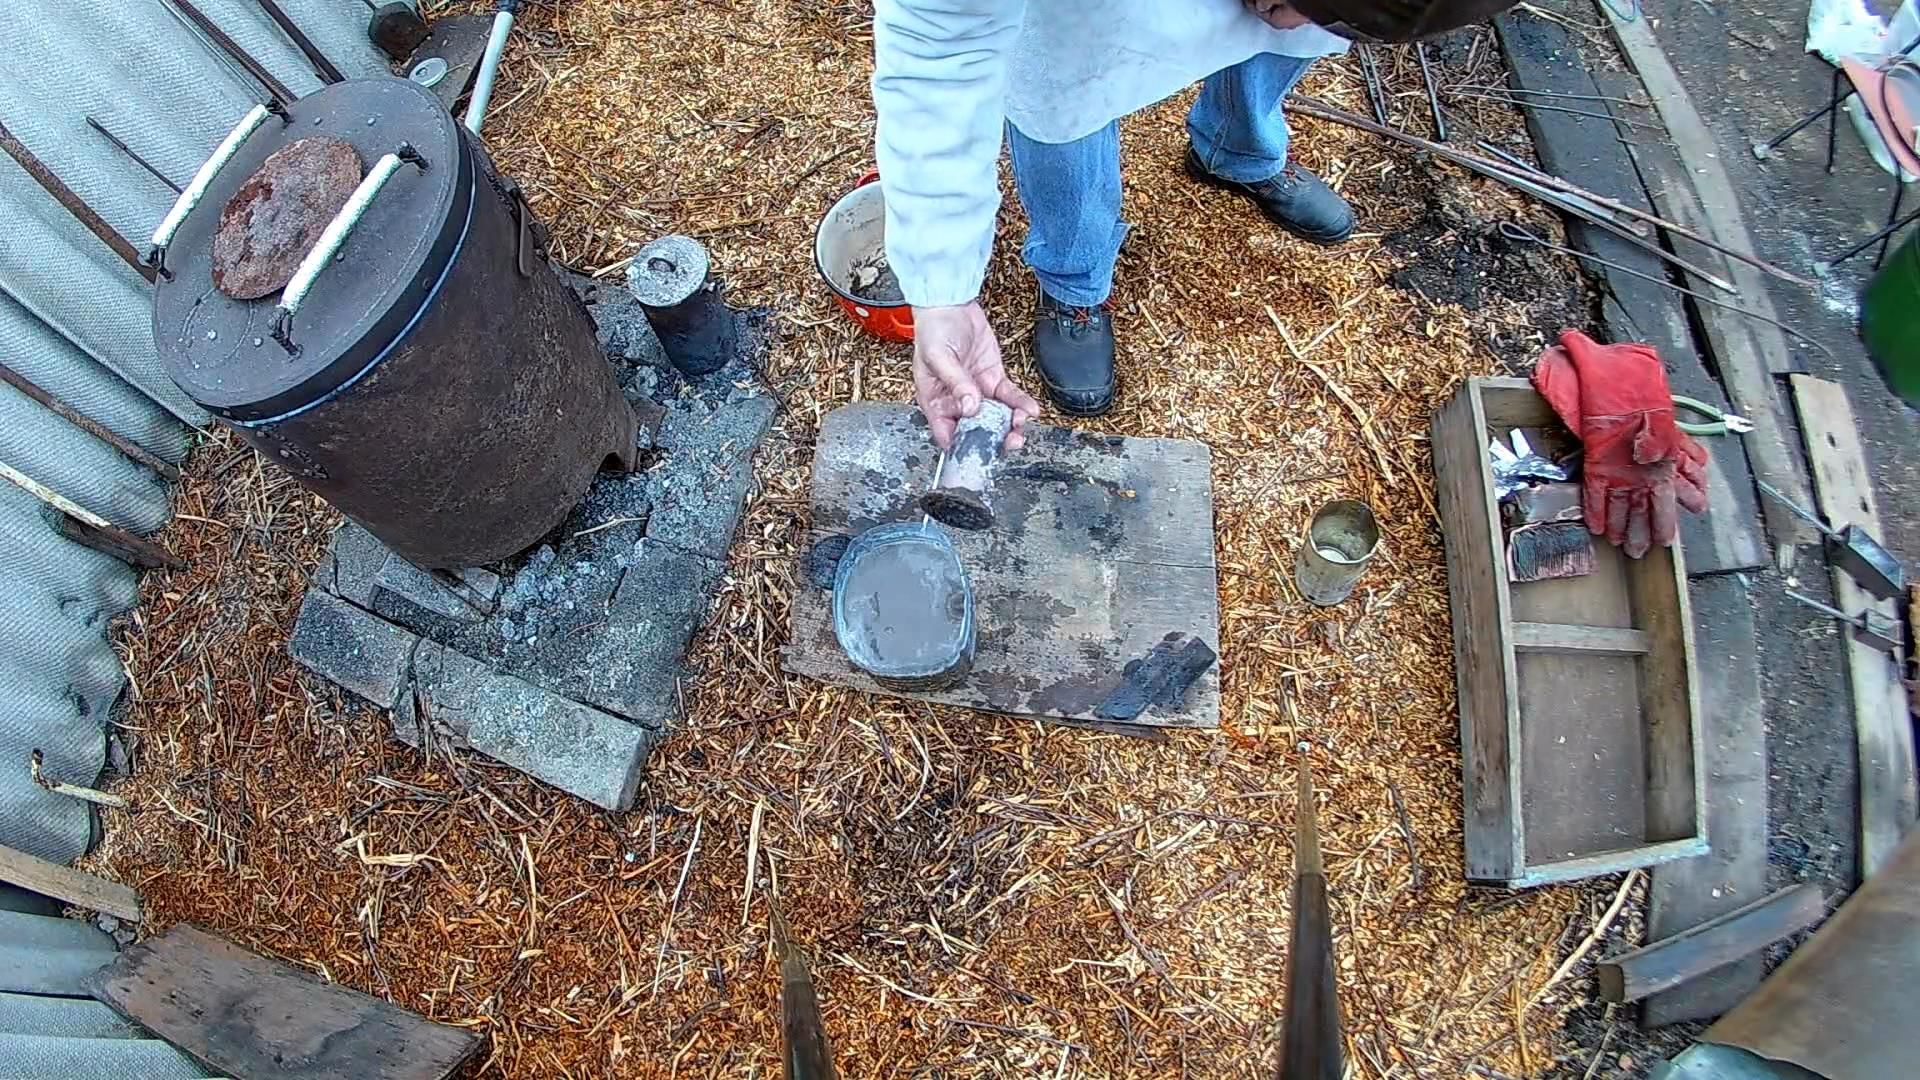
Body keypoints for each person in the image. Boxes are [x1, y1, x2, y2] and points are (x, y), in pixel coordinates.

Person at [872, 0, 1516, 449]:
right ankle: (1075, 276)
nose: (1274, 8)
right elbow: (941, 44)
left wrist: (1328, 11)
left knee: (1284, 37)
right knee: (1064, 87)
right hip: (1079, 20)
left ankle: (1236, 147)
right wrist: (942, 285)